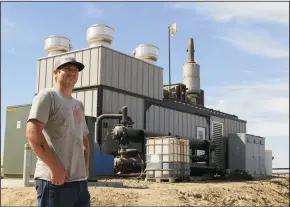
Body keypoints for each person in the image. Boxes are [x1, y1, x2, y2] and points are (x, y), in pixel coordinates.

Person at [26, 56, 91, 207]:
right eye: (67, 68)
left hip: (80, 183)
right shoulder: (48, 96)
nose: (72, 72)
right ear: (55, 72)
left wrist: (86, 167)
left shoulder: (78, 105)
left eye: (75, 70)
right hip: (54, 181)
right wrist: (55, 168)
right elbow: (33, 133)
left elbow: (84, 140)